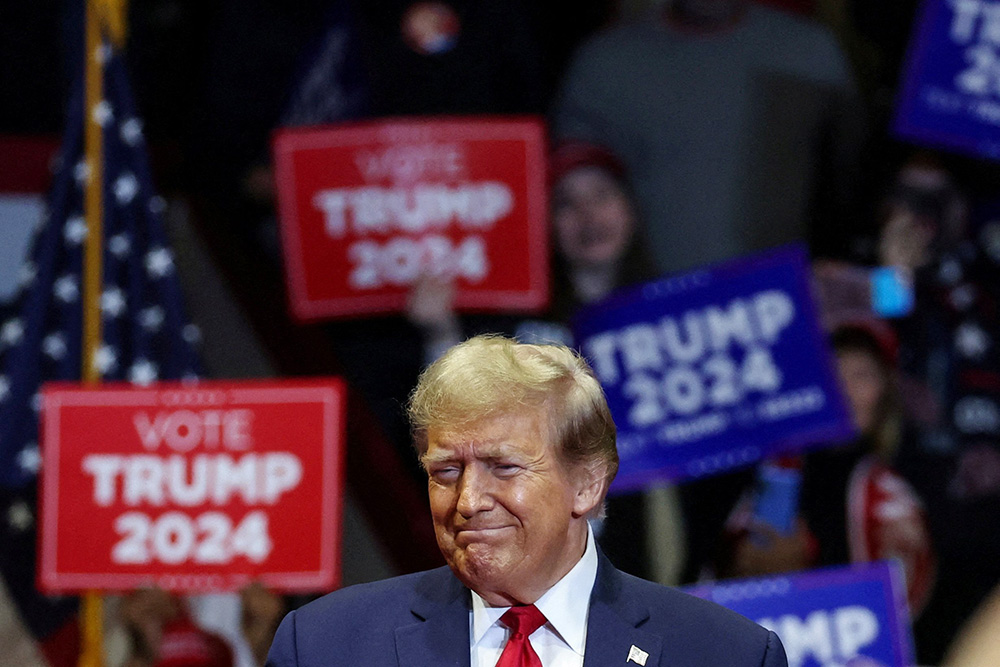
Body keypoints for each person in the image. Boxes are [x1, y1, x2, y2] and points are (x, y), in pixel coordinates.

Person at [266, 335, 787, 666]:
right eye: (446, 471)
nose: (468, 501)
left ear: (586, 483)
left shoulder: (726, 654)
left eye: (504, 467)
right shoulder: (323, 647)